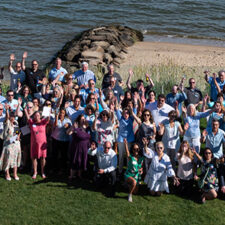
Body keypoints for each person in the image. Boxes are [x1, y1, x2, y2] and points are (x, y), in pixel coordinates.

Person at [116, 105, 142, 175]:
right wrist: (117, 103)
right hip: (121, 140)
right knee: (121, 156)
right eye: (124, 113)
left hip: (129, 140)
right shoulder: (120, 118)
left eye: (127, 113)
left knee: (129, 156)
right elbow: (117, 109)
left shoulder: (131, 119)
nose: (126, 114)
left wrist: (134, 104)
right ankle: (120, 170)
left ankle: (128, 170)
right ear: (122, 114)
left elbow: (134, 112)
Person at [25, 110, 50, 179]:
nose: (37, 116)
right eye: (35, 115)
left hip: (42, 144)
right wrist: (25, 110)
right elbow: (27, 117)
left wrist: (48, 112)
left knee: (43, 158)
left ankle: (43, 172)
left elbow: (48, 118)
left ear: (40, 116)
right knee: (34, 158)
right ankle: (35, 172)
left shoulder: (43, 122)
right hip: (34, 143)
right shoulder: (31, 122)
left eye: (38, 115)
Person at [0, 106, 21, 181]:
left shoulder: (16, 123)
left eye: (14, 117)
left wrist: (18, 136)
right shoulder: (6, 123)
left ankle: (15, 174)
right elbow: (7, 117)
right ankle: (7, 173)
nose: (12, 118)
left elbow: (18, 131)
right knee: (8, 159)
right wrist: (7, 110)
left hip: (16, 144)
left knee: (15, 158)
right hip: (8, 144)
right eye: (11, 117)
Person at [67, 114, 91, 179]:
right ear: (79, 120)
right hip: (76, 146)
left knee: (82, 160)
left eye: (84, 119)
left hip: (85, 147)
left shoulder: (87, 127)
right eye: (82, 119)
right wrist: (73, 127)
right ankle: (71, 175)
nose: (83, 120)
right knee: (75, 160)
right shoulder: (75, 127)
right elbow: (68, 133)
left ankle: (79, 175)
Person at [51, 108, 71, 173]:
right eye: (60, 113)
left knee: (63, 155)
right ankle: (54, 168)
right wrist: (56, 116)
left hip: (64, 140)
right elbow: (55, 125)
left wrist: (67, 125)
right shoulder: (56, 119)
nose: (61, 114)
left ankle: (62, 169)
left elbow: (69, 125)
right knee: (55, 154)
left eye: (62, 113)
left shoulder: (67, 120)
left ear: (65, 114)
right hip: (56, 139)